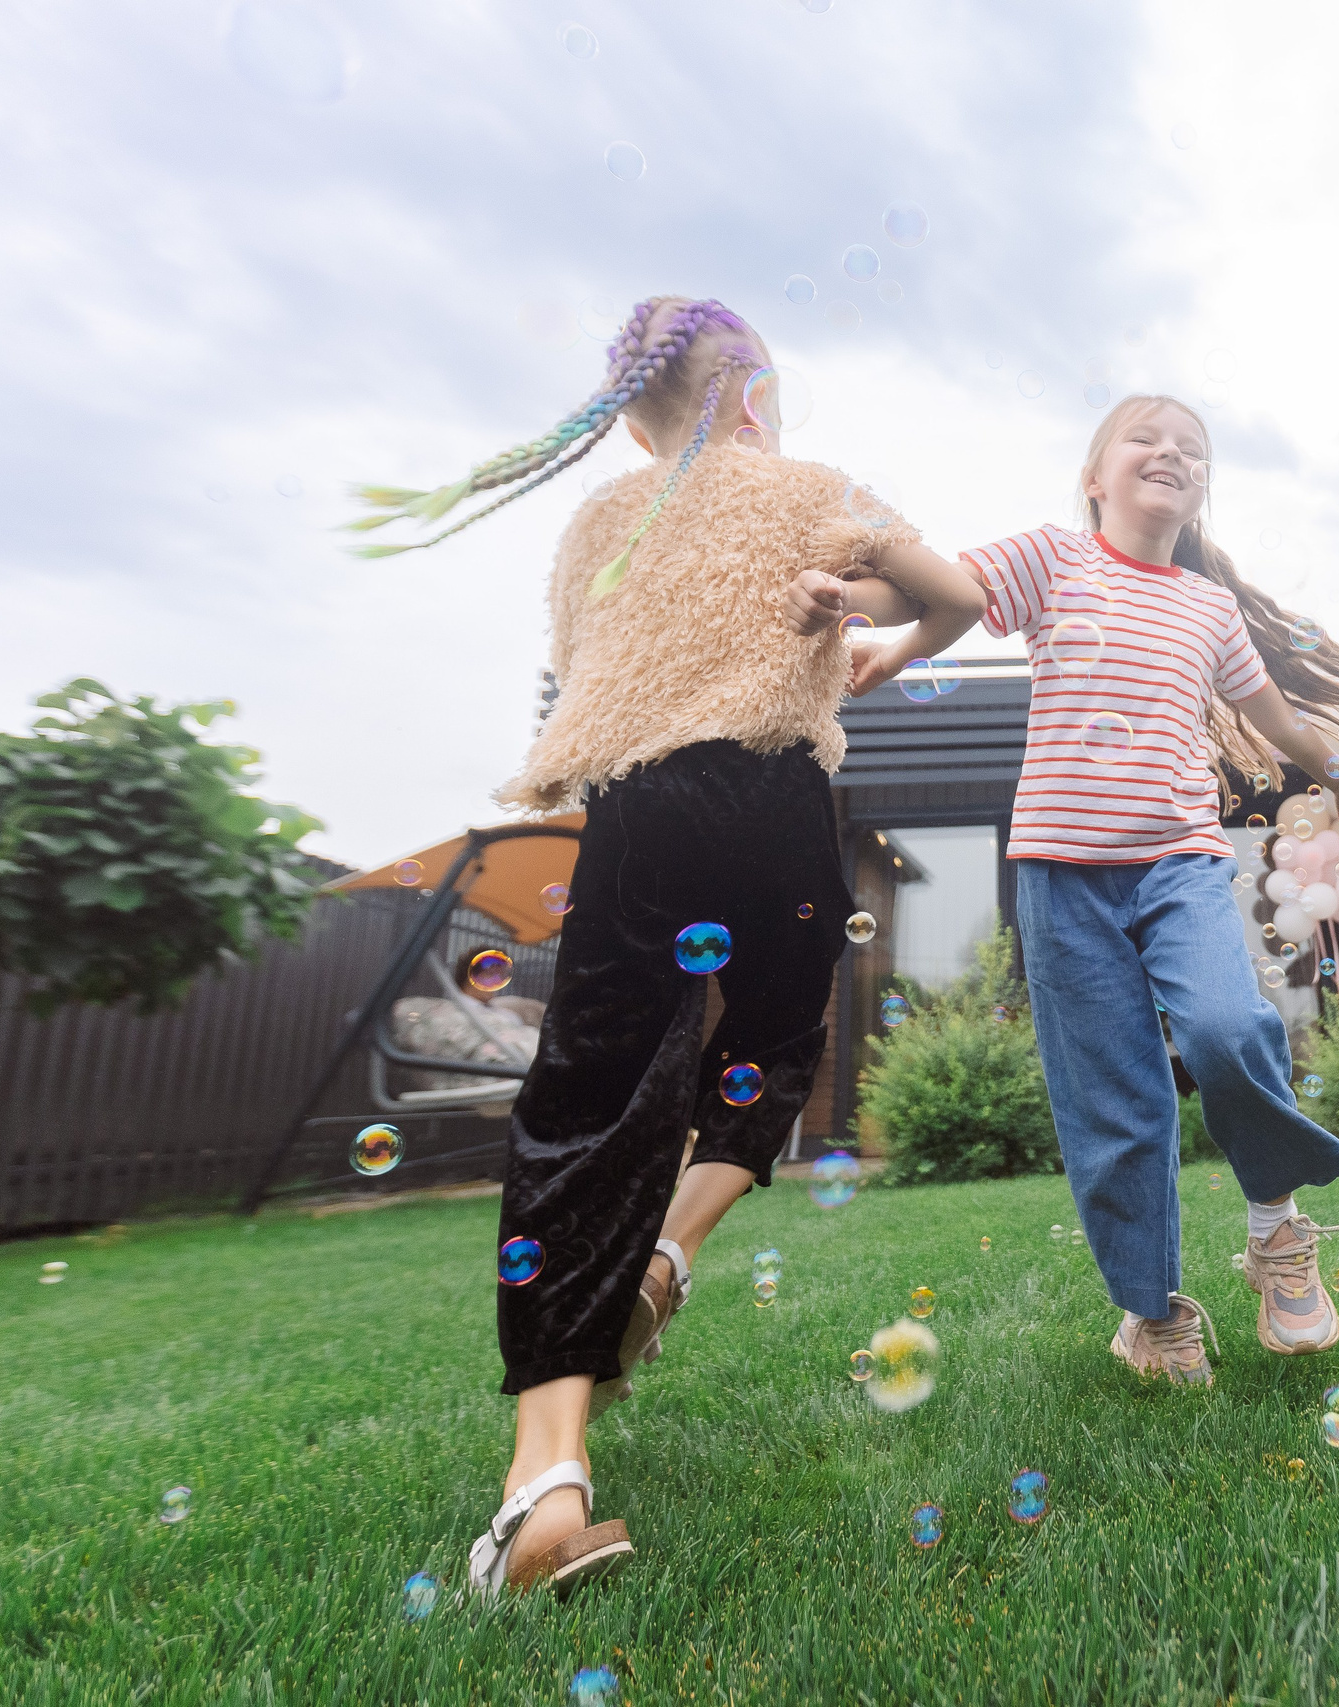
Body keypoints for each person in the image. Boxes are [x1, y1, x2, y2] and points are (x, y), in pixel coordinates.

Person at [351, 296, 984, 1596]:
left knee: (588, 1107)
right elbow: (963, 595)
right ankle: (669, 1251)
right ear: (752, 390)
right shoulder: (817, 487)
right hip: (780, 807)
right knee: (769, 1055)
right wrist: (882, 644)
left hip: (645, 810)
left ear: (631, 414)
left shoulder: (599, 520)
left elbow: (588, 669)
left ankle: (547, 1480)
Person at [960, 393, 1339, 1384]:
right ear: (1093, 476)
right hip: (1060, 871)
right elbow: (943, 592)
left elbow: (1276, 716)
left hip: (1179, 860)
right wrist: (886, 642)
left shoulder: (1207, 607)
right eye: (1145, 440)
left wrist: (1337, 772)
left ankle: (1275, 1236)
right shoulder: (1050, 559)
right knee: (1117, 1104)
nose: (1171, 454)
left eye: (1192, 450)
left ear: (1200, 490)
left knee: (1227, 1029)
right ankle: (1151, 1315)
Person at [389, 952, 545, 1109]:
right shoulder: (454, 1012)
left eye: (500, 976)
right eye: (489, 974)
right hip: (511, 1067)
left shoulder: (506, 1011)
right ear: (470, 976)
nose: (496, 981)